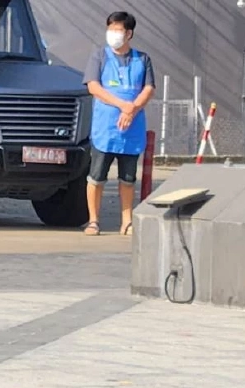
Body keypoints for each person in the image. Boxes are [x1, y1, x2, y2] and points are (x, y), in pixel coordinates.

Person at [82, 11, 155, 236]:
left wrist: (132, 109)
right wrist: (122, 105)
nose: (113, 34)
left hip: (131, 128)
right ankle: (93, 220)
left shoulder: (142, 59)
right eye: (110, 29)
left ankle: (127, 220)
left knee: (128, 178)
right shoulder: (99, 56)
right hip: (106, 127)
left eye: (118, 30)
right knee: (96, 177)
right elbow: (93, 87)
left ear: (129, 33)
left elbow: (148, 89)